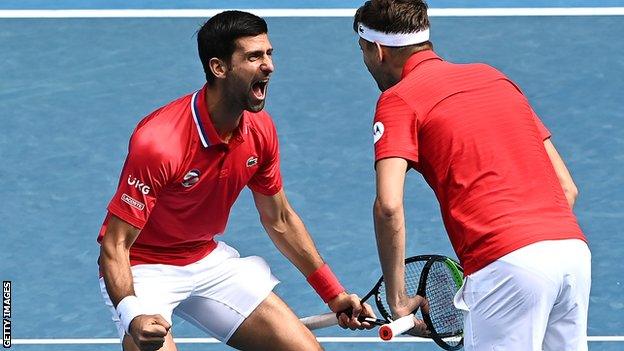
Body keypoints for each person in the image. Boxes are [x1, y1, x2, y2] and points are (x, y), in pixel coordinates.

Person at [97, 10, 373, 351]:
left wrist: (333, 292)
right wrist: (132, 312)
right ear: (219, 67)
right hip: (143, 267)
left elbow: (280, 219)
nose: (269, 65)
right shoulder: (160, 143)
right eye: (254, 56)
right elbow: (115, 245)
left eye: (269, 54)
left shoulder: (260, 130)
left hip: (205, 259)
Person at [352, 0, 591, 350]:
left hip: (505, 263)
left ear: (377, 49)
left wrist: (398, 298)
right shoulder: (494, 78)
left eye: (363, 51)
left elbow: (388, 206)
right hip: (571, 255)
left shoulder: (399, 99)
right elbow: (567, 188)